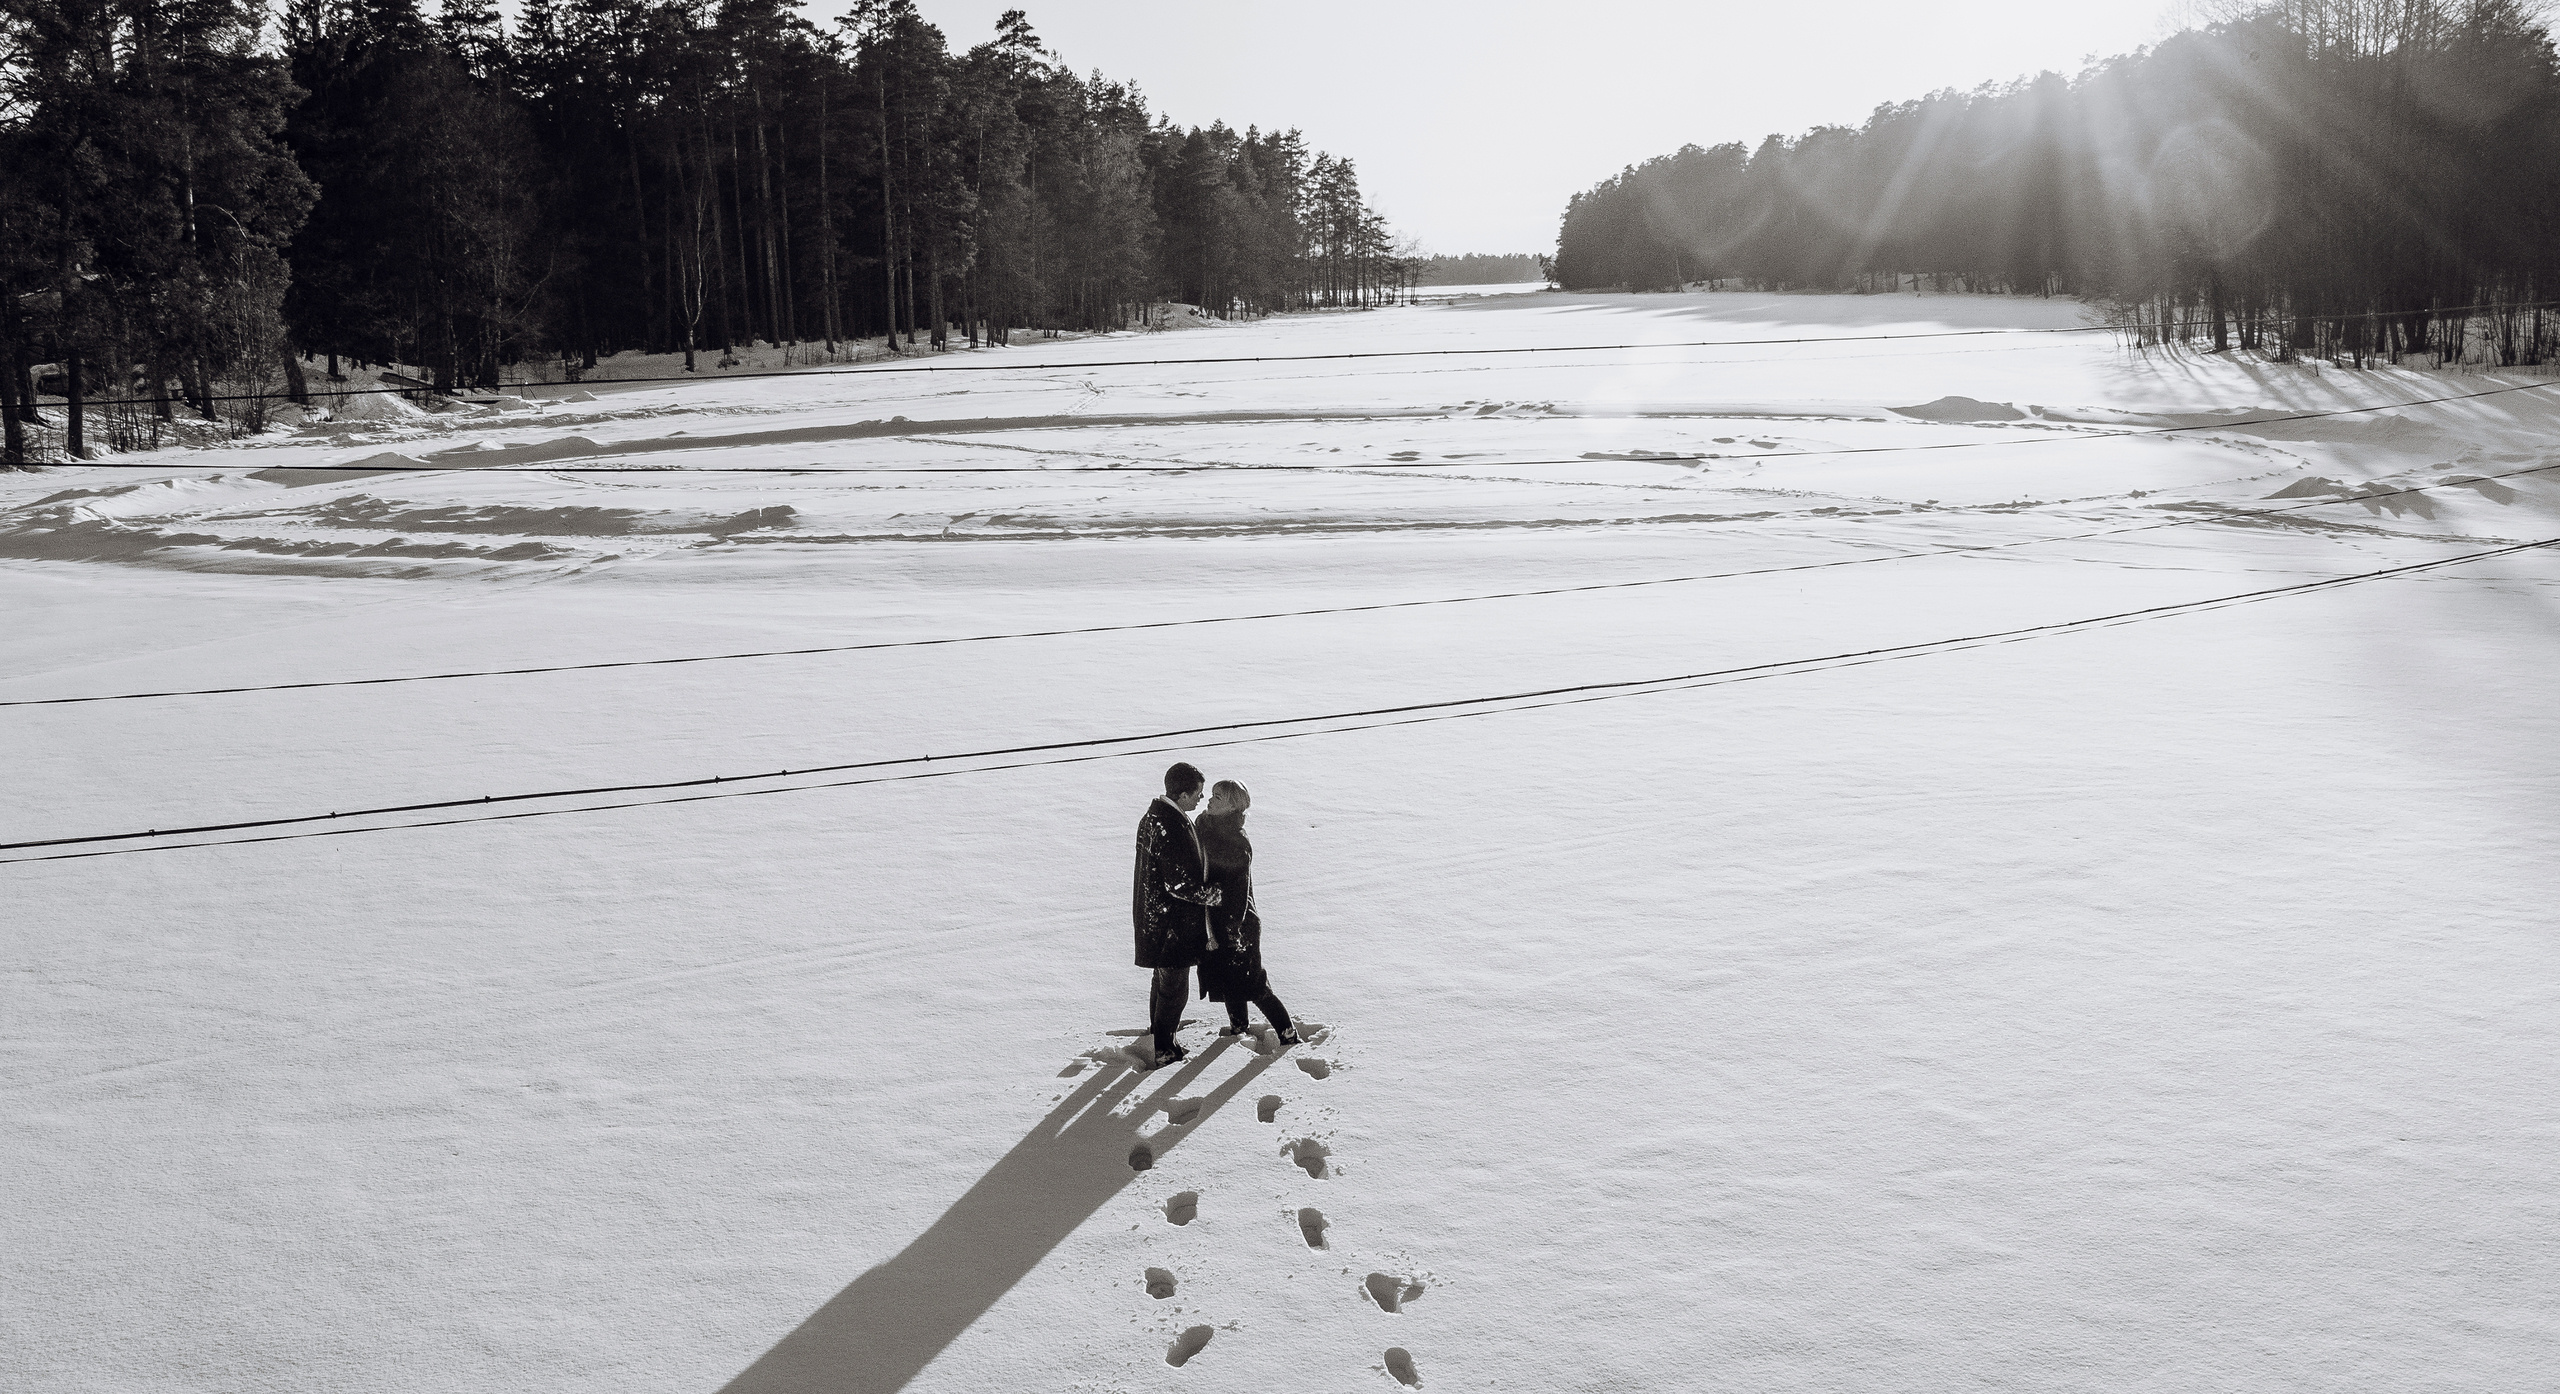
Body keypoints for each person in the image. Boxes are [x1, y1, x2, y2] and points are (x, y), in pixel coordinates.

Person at [1192, 780, 1300, 1046]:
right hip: (1215, 922)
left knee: (1253, 983)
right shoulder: (1204, 828)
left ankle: (1287, 1033)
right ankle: (1238, 1027)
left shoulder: (1236, 843)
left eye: (1218, 797)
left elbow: (1237, 893)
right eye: (1213, 795)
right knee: (1229, 981)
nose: (1210, 800)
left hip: (1238, 923)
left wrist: (1232, 930)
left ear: (1231, 807)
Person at [1132, 762, 1221, 1066]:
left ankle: (1158, 1035)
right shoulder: (1170, 824)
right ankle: (1164, 1047)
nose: (1201, 798)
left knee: (1162, 981)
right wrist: (1210, 894)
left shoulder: (1155, 816)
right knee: (1174, 988)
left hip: (1154, 918)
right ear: (1183, 795)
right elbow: (1179, 882)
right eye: (1197, 793)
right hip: (1171, 925)